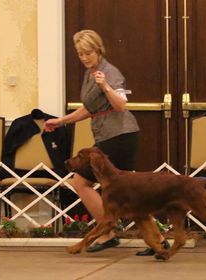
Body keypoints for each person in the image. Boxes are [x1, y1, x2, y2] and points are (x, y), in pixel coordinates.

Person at [44, 29, 167, 255]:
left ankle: (108, 232)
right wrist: (61, 121)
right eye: (80, 54)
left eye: (88, 53)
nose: (84, 58)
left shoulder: (110, 72)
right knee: (127, 193)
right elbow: (90, 109)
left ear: (98, 49)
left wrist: (105, 86)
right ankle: (157, 239)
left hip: (120, 136)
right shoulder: (89, 73)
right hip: (106, 135)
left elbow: (121, 104)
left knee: (81, 183)